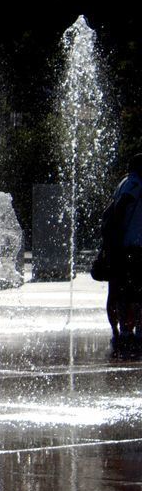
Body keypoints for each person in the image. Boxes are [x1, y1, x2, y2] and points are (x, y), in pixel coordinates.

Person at [103, 153, 142, 357]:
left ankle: (121, 333)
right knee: (133, 293)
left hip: (124, 246)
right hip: (132, 247)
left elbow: (110, 211)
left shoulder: (124, 182)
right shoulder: (134, 184)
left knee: (121, 292)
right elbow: (119, 209)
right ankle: (128, 333)